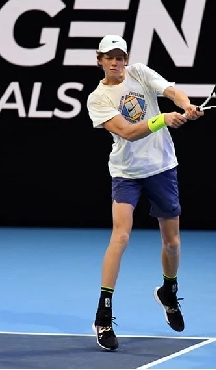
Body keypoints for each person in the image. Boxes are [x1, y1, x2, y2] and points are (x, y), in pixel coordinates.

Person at [86, 34, 204, 351]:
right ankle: (103, 315)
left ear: (126, 58)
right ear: (100, 60)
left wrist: (185, 104)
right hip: (126, 173)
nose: (115, 62)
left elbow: (171, 91)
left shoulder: (139, 72)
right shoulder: (98, 98)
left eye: (120, 56)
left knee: (172, 242)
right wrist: (162, 119)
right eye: (109, 57)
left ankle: (168, 291)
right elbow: (126, 132)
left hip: (162, 167)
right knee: (120, 236)